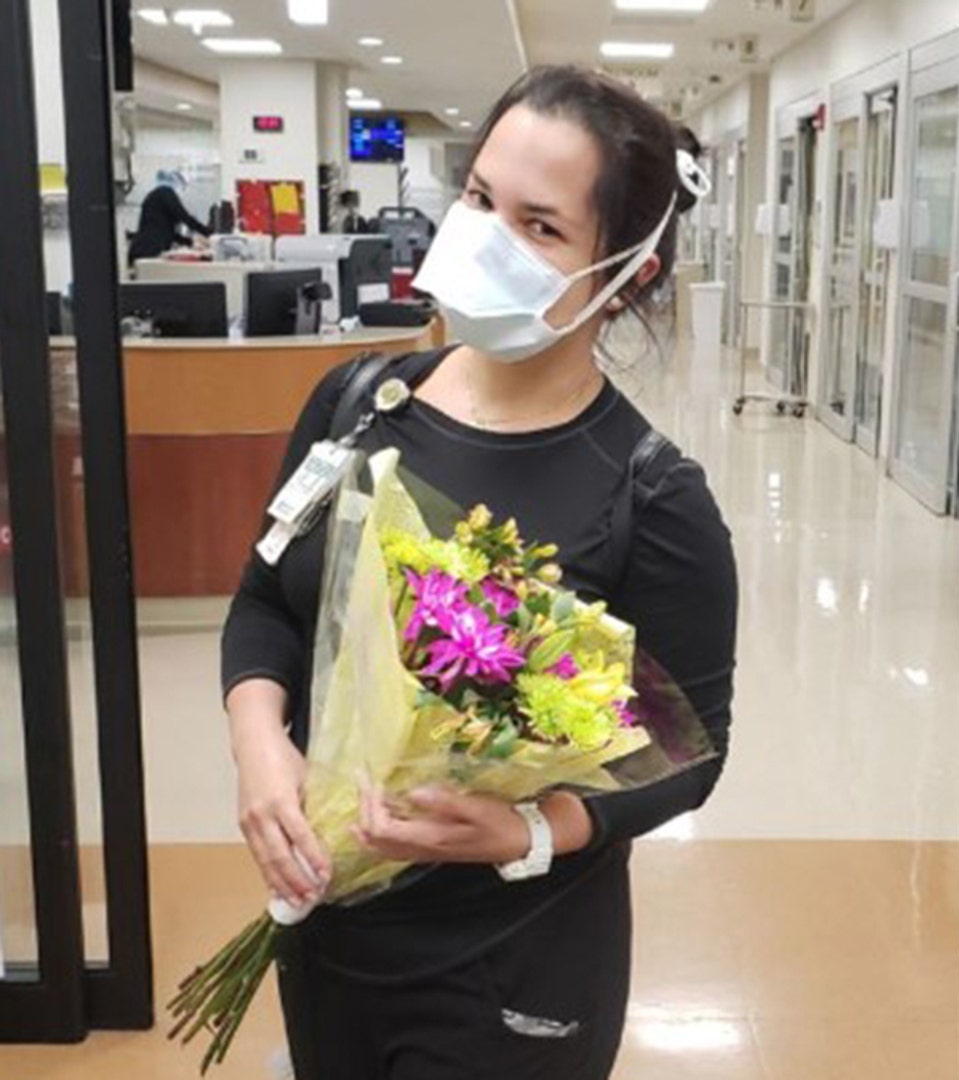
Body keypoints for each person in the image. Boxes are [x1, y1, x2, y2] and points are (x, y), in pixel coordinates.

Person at [221, 65, 737, 1080]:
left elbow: (693, 752)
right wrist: (257, 750)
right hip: (329, 929)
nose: (488, 237)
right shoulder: (359, 401)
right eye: (479, 199)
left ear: (628, 269)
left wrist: (531, 828)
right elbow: (263, 599)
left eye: (541, 227)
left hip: (510, 968)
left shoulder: (651, 497)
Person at [127, 168, 211, 263]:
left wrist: (191, 242)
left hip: (144, 249)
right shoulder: (165, 192)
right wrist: (209, 233)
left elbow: (168, 232)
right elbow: (184, 216)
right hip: (148, 250)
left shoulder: (157, 195)